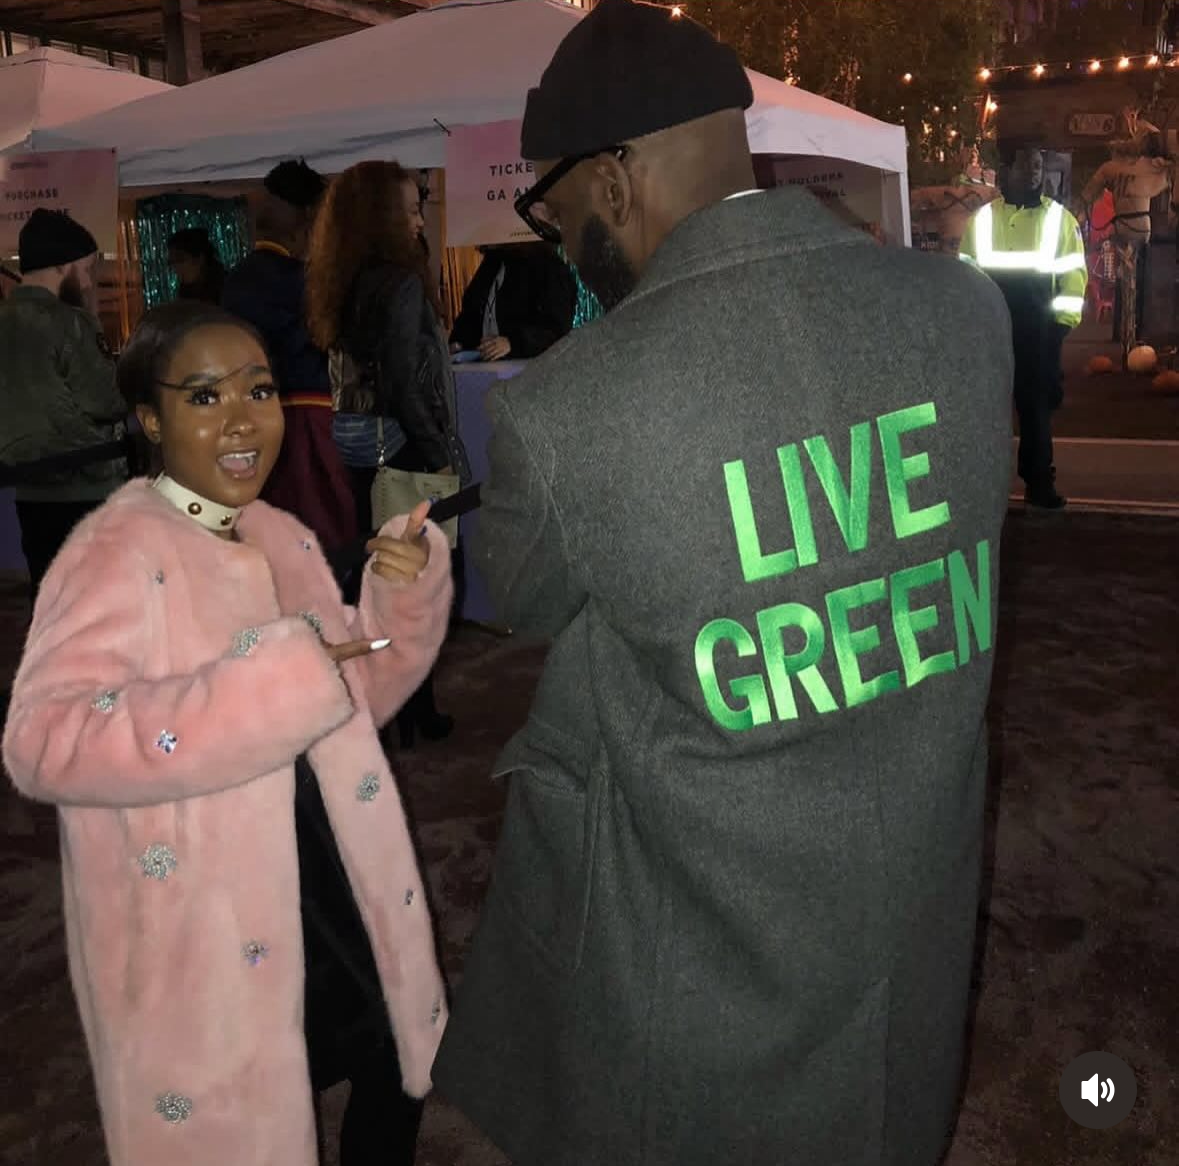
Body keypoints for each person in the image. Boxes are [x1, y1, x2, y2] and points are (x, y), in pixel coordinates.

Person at [431, 3, 1013, 1165]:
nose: (557, 239)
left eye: (550, 210)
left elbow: (530, 600)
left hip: (695, 943)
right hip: (914, 895)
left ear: (610, 181)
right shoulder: (962, 310)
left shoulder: (570, 404)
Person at [2, 300, 453, 1166]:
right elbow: (42, 739)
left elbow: (347, 701)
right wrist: (263, 690)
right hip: (205, 917)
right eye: (204, 398)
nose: (244, 421)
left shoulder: (279, 535)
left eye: (259, 390)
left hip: (326, 866)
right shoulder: (114, 552)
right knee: (246, 1119)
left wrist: (401, 596)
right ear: (148, 418)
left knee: (392, 1064)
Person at [306, 159, 469, 747]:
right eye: (411, 208)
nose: (421, 219)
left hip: (358, 438)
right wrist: (438, 454)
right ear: (383, 217)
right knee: (425, 582)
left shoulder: (343, 274)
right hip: (401, 445)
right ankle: (408, 708)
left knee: (384, 578)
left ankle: (401, 707)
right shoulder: (400, 280)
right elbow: (405, 379)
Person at [222, 159, 358, 553]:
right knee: (325, 526)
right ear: (307, 215)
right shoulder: (303, 279)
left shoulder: (239, 277)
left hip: (256, 416)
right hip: (308, 416)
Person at [0, 208, 129, 599]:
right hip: (85, 485)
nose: (90, 281)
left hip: (28, 489)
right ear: (65, 267)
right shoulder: (69, 322)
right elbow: (107, 401)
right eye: (86, 269)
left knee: (52, 600)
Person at [960, 145, 1087, 510]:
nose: (1033, 172)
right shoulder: (982, 220)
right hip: (991, 332)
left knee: (1036, 410)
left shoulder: (1060, 220)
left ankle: (1039, 483)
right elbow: (966, 274)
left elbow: (1074, 277)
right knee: (990, 411)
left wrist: (1060, 328)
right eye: (1025, 164)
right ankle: (986, 485)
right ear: (1006, 169)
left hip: (1039, 331)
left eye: (1038, 166)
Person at [450, 241, 577, 361]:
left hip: (531, 369)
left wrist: (513, 343)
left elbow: (557, 330)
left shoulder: (548, 266)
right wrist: (459, 342)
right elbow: (471, 313)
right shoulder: (492, 263)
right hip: (485, 368)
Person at [168, 227, 226, 304]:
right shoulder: (186, 292)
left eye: (180, 260)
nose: (175, 268)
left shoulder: (228, 288)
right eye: (171, 262)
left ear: (200, 258)